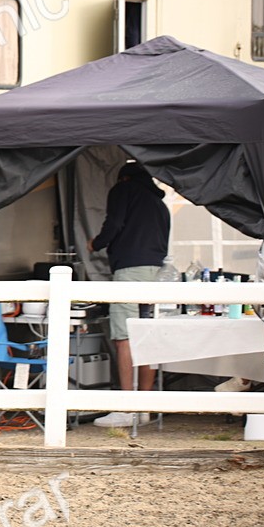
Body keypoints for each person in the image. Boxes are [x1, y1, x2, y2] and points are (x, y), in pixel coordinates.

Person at [87, 161, 170, 427]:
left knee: (124, 337)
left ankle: (125, 409)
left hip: (130, 271)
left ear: (123, 178)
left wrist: (96, 243)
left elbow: (114, 223)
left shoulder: (124, 190)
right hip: (157, 272)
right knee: (147, 337)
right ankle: (143, 409)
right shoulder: (159, 204)